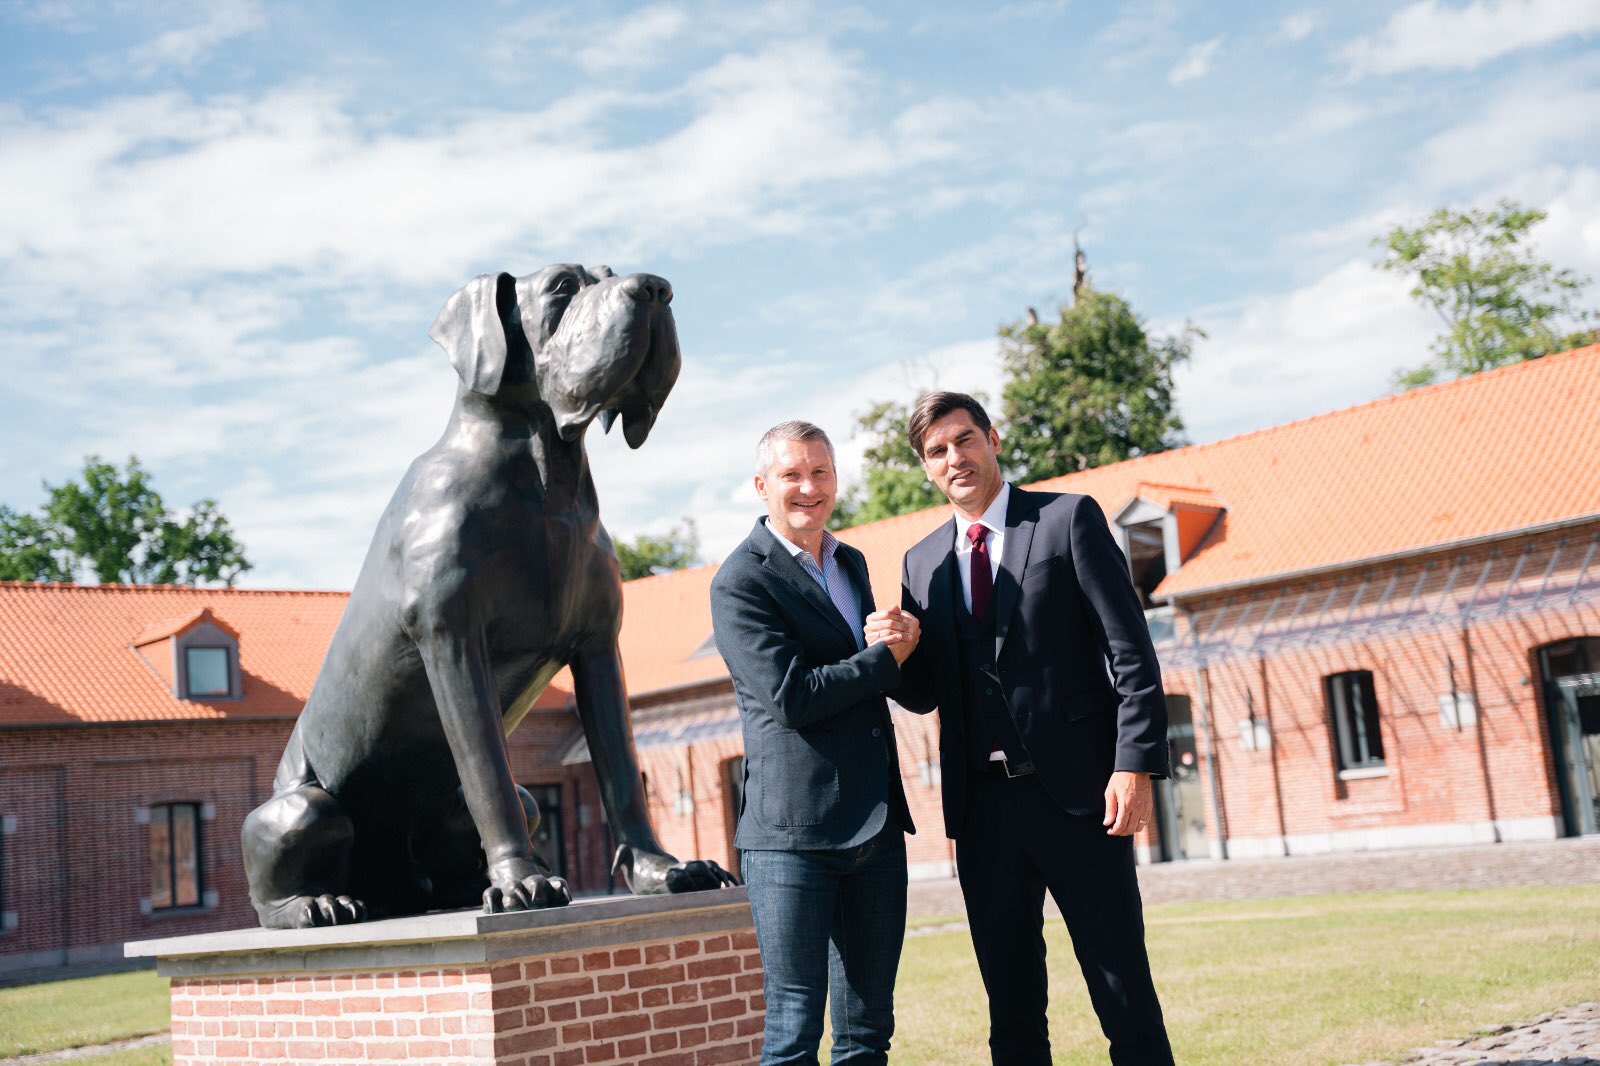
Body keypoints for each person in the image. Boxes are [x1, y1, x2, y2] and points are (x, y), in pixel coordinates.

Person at [869, 391, 1173, 1065]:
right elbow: (925, 696)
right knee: (1010, 1008)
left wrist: (1135, 764)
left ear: (994, 438)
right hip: (984, 812)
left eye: (965, 439)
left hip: (1080, 798)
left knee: (1121, 990)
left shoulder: (1067, 520)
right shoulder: (922, 563)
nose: (956, 458)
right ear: (926, 467)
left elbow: (1131, 650)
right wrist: (899, 651)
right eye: (938, 451)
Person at [709, 420, 922, 1066]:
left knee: (866, 1034)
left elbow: (867, 658)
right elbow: (792, 697)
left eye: (820, 472)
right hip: (791, 840)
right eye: (791, 475)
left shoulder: (850, 561)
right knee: (794, 1032)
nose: (808, 487)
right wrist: (889, 658)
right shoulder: (739, 582)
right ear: (761, 485)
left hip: (875, 830)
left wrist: (897, 633)